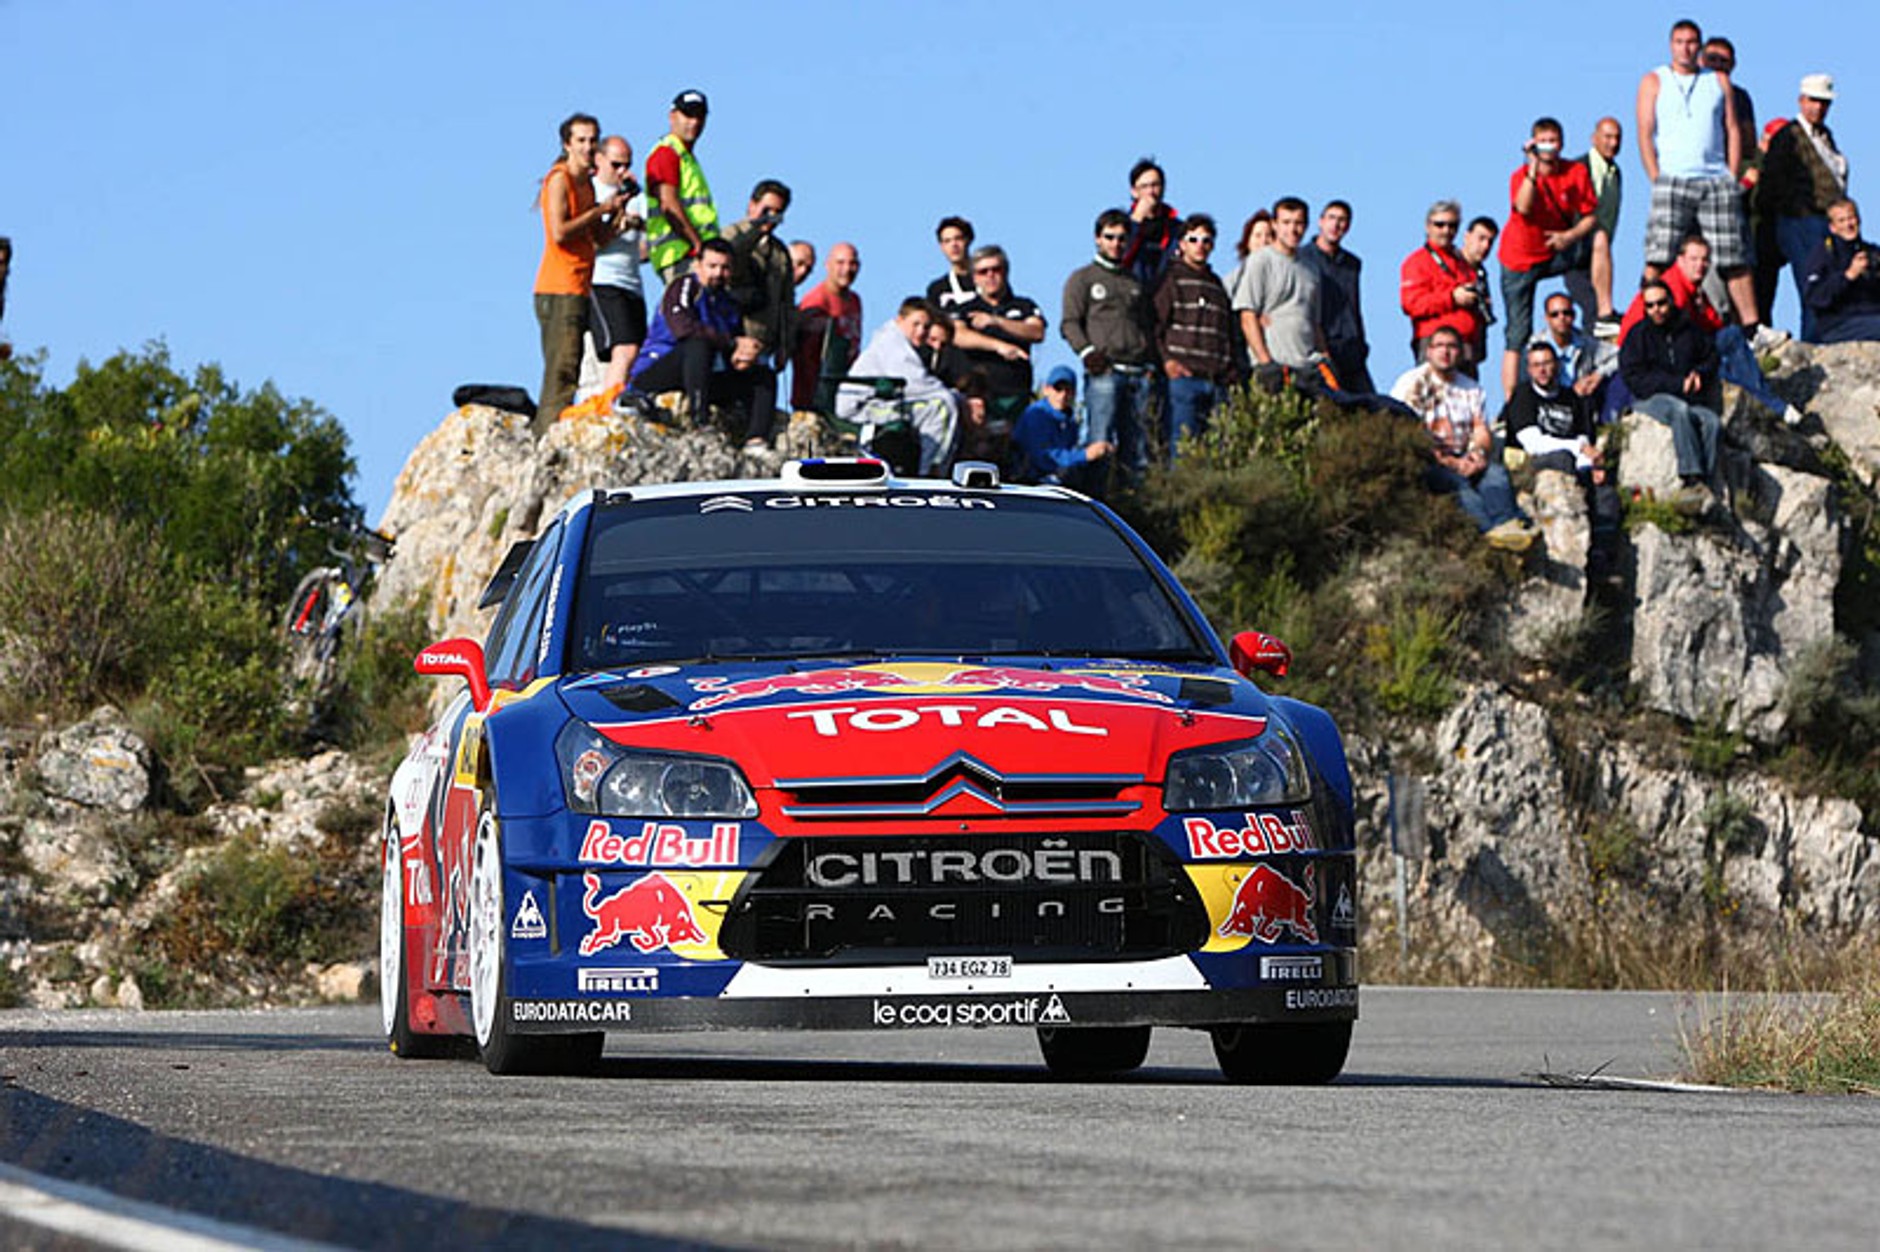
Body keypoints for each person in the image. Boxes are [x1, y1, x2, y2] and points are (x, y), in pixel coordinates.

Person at [1635, 20, 1783, 351]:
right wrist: (1655, 174)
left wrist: (1730, 176)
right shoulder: (1654, 80)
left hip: (1714, 178)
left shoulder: (1717, 82)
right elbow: (1645, 130)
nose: (1685, 48)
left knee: (1734, 256)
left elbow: (1732, 128)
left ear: (1699, 47)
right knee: (1658, 255)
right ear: (1671, 45)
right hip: (1673, 177)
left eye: (1691, 42)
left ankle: (1753, 328)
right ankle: (1642, 322)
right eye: (1679, 41)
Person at [1615, 234, 1802, 425]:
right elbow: (1676, 341)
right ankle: (1770, 403)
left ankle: (1763, 397)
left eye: (1705, 260)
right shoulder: (1672, 290)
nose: (1700, 265)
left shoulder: (1695, 292)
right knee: (1718, 364)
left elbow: (1713, 327)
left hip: (1683, 353)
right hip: (1655, 362)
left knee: (1731, 337)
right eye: (1694, 259)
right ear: (1680, 260)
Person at [1390, 326, 1534, 550]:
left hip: (1464, 453)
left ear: (1460, 352)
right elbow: (1408, 431)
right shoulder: (1413, 384)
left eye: (1451, 346)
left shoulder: (1471, 388)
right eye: (1439, 346)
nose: (1445, 352)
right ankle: (1487, 534)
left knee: (1494, 475)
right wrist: (1448, 461)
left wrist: (1478, 454)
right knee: (1459, 486)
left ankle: (1507, 525)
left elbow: (1480, 428)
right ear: (1429, 351)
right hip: (1429, 458)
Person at [1498, 117, 1611, 398]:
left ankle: (1604, 312)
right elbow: (1523, 207)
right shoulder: (1520, 176)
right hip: (1520, 258)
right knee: (1516, 334)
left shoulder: (1575, 172)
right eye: (1543, 141)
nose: (1549, 147)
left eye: (1553, 141)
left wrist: (1569, 236)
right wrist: (1533, 170)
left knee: (1599, 238)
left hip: (1558, 248)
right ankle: (1512, 402)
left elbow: (1590, 216)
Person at [626, 238, 777, 447]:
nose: (718, 273)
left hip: (703, 374)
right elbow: (683, 328)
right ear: (698, 265)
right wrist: (733, 344)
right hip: (659, 369)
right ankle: (700, 422)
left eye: (724, 268)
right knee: (698, 344)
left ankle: (756, 439)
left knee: (762, 373)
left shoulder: (728, 304)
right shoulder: (685, 286)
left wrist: (742, 356)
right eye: (712, 266)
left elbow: (731, 344)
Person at [532, 112, 626, 434]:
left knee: (572, 370)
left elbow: (597, 238)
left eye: (592, 140)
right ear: (567, 144)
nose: (588, 147)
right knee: (560, 373)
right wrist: (599, 211)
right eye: (581, 141)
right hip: (559, 288)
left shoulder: (585, 183)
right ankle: (544, 439)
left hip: (580, 287)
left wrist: (616, 213)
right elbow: (560, 231)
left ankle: (553, 434)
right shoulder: (560, 179)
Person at [1505, 340, 1620, 581]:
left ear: (1557, 365)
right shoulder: (1523, 395)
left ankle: (1602, 556)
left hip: (1573, 462)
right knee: (1563, 459)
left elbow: (1581, 436)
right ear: (1529, 369)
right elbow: (1533, 443)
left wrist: (1592, 464)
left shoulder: (1570, 397)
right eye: (1536, 365)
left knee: (1604, 487)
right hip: (1531, 465)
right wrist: (1578, 448)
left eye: (1547, 363)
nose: (1543, 370)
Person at [1061, 209, 1156, 481]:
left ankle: (1132, 510)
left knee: (1137, 451)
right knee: (1099, 444)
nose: (1116, 243)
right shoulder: (1082, 278)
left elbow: (1146, 324)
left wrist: (1148, 360)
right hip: (1105, 371)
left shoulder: (1134, 282)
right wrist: (1087, 352)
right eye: (1109, 237)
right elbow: (1069, 323)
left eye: (1122, 238)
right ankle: (1095, 508)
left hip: (1137, 373)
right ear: (1097, 239)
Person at [1619, 278, 1722, 514]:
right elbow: (1633, 376)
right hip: (1650, 399)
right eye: (1650, 306)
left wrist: (1700, 374)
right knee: (1679, 411)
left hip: (1689, 397)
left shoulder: (1689, 329)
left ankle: (1707, 482)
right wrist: (1676, 383)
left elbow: (1711, 356)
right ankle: (1690, 478)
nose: (1656, 310)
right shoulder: (1638, 335)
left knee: (1711, 422)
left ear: (1671, 302)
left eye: (1661, 303)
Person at [1759, 75, 1849, 343]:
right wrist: (1798, 209)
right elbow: (1772, 184)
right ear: (1801, 101)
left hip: (1828, 221)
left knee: (1831, 285)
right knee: (1815, 286)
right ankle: (1814, 344)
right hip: (1801, 220)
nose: (1818, 108)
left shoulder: (1826, 137)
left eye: (1823, 103)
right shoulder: (1789, 137)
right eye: (1813, 101)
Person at [838, 298, 961, 473]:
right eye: (915, 324)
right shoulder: (893, 344)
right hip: (861, 408)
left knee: (941, 404)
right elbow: (915, 384)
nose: (920, 331)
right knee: (941, 407)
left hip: (881, 402)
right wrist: (958, 399)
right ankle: (931, 471)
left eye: (925, 327)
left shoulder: (901, 343)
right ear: (900, 320)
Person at [1151, 215, 1237, 460]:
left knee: (1218, 452)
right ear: (1182, 243)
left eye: (1206, 240)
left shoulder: (1217, 286)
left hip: (1216, 381)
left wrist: (1229, 371)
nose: (1200, 245)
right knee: (1183, 450)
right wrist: (1167, 361)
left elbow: (1227, 333)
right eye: (1194, 239)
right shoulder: (1170, 279)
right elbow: (1155, 326)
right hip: (1183, 380)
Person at [951, 245, 1047, 430]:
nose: (990, 276)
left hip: (1016, 395)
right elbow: (958, 335)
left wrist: (997, 321)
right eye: (983, 271)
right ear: (974, 277)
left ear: (1006, 272)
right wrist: (998, 346)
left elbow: (1037, 331)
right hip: (979, 398)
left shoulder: (1024, 306)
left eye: (996, 269)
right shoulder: (965, 309)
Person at [1231, 196, 1327, 374]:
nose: (1292, 229)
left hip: (1309, 365)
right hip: (1275, 363)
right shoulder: (1260, 261)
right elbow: (1248, 316)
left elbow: (1314, 321)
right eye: (1286, 222)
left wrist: (1324, 356)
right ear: (1274, 225)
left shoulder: (1311, 268)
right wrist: (1265, 362)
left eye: (1298, 223)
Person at [589, 136, 649, 395]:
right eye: (616, 165)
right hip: (602, 281)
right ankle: (610, 405)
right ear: (599, 160)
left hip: (632, 284)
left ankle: (619, 397)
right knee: (624, 348)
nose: (622, 171)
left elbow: (646, 249)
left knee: (636, 352)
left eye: (627, 165)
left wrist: (641, 225)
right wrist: (618, 223)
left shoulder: (638, 198)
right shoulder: (590, 193)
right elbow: (589, 244)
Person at [1400, 201, 1490, 374]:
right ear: (1428, 227)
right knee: (1434, 398)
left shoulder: (1464, 262)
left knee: (1467, 399)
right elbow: (1411, 304)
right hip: (1435, 344)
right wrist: (1452, 298)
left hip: (1467, 346)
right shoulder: (1417, 262)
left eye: (1452, 225)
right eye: (1440, 224)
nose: (1446, 230)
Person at [1298, 199, 1374, 393]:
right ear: (1321, 221)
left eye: (1342, 220)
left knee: (1367, 405)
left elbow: (1355, 305)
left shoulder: (1352, 264)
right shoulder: (1302, 258)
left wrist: (1361, 343)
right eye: (1332, 218)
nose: (1336, 224)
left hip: (1350, 345)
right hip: (1320, 343)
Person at [645, 89, 719, 285]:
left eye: (699, 116)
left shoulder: (686, 158)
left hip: (692, 254)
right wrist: (698, 246)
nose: (694, 122)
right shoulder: (667, 154)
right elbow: (668, 204)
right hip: (681, 255)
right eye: (688, 115)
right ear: (672, 116)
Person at [722, 179, 797, 373]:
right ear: (752, 205)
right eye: (767, 210)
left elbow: (786, 302)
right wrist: (755, 227)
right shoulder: (731, 234)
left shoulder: (780, 253)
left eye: (777, 213)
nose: (771, 217)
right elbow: (731, 260)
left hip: (763, 343)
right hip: (731, 339)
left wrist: (785, 345)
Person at [1565, 118, 1625, 336]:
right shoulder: (1579, 168)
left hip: (1599, 253)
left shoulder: (1615, 173)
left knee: (1593, 306)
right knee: (1591, 306)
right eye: (1608, 137)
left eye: (1617, 138)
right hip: (1577, 249)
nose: (1613, 143)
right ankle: (1604, 315)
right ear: (1595, 138)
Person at [1012, 366, 1112, 489]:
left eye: (1068, 390)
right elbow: (1044, 458)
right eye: (1058, 389)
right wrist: (1085, 455)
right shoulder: (1036, 414)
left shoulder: (1069, 420)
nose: (1063, 395)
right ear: (1046, 390)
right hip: (1029, 482)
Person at [791, 243, 863, 411]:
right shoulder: (816, 301)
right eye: (840, 263)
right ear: (827, 265)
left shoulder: (855, 301)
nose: (847, 269)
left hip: (847, 389)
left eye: (852, 263)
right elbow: (806, 356)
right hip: (815, 395)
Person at [1802, 199, 1880, 343]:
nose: (1848, 225)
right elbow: (1814, 297)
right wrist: (1848, 275)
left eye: (1851, 218)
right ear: (1833, 227)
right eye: (1841, 221)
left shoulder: (1872, 252)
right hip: (1839, 324)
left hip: (1872, 315)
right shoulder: (1823, 254)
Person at [1531, 293, 1616, 405]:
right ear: (1547, 318)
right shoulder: (1533, 347)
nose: (1561, 318)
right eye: (1554, 314)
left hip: (1582, 404)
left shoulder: (1586, 343)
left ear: (1574, 316)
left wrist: (1598, 375)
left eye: (1567, 313)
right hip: (1546, 406)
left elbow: (1619, 355)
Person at [1120, 159, 1181, 287]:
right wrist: (1135, 222)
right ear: (1134, 191)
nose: (1151, 192)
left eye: (1155, 185)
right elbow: (1120, 257)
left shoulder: (1177, 229)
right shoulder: (1121, 226)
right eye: (1144, 186)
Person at [926, 217, 977, 315]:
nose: (954, 245)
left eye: (958, 238)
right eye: (947, 241)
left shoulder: (988, 278)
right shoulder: (937, 289)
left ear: (968, 240)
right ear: (942, 247)